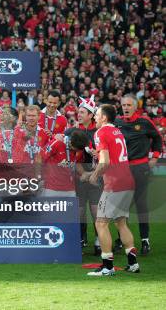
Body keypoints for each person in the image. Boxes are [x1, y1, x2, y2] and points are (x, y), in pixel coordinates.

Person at [85, 104, 139, 276]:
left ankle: (107, 266)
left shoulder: (100, 132)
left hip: (114, 184)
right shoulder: (117, 131)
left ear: (104, 118)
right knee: (121, 223)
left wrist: (94, 174)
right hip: (127, 181)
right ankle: (133, 263)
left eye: (97, 115)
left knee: (101, 223)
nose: (94, 117)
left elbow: (106, 162)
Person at [114, 94, 162, 254]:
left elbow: (158, 139)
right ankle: (121, 238)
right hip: (122, 169)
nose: (125, 108)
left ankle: (145, 240)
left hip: (140, 168)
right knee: (122, 206)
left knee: (141, 205)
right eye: (123, 105)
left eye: (128, 105)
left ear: (135, 107)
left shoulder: (144, 122)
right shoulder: (117, 122)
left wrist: (154, 157)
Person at [64, 96, 102, 253]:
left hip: (97, 177)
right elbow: (70, 154)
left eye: (82, 112)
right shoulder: (72, 131)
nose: (78, 114)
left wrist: (94, 173)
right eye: (78, 112)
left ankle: (100, 240)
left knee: (95, 210)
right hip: (79, 177)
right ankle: (81, 238)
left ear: (91, 114)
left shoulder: (99, 131)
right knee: (79, 211)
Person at [41, 130, 88, 197]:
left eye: (77, 150)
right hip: (52, 188)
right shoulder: (57, 142)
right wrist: (39, 176)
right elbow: (40, 158)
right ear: (70, 142)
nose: (75, 151)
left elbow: (77, 163)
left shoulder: (79, 148)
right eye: (74, 149)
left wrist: (83, 173)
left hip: (70, 190)